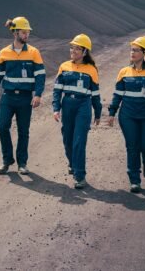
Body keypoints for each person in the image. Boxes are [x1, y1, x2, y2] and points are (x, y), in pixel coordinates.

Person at [106, 36, 145, 193]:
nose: (132, 52)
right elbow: (117, 95)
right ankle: (134, 180)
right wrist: (112, 112)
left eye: (136, 50)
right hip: (128, 116)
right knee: (132, 146)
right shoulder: (124, 72)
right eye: (131, 49)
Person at [0, 16, 46, 175]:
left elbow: (40, 75)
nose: (26, 35)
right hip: (8, 97)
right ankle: (7, 160)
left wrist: (38, 94)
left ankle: (22, 163)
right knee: (2, 126)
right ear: (15, 33)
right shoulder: (4, 52)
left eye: (28, 32)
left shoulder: (34, 52)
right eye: (23, 32)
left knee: (23, 131)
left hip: (26, 98)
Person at [51, 34, 102, 189]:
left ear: (84, 52)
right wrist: (56, 108)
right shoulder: (64, 66)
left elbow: (95, 94)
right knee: (67, 140)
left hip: (83, 106)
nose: (73, 50)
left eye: (77, 48)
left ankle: (80, 176)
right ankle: (73, 163)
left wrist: (98, 113)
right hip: (67, 105)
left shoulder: (91, 70)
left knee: (79, 141)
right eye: (72, 47)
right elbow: (57, 90)